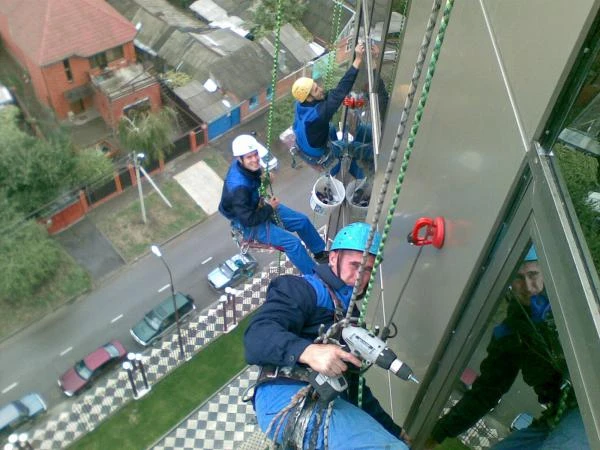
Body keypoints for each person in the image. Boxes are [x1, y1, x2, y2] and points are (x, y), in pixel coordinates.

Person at [244, 222, 411, 449]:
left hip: (327, 400)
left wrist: (393, 430)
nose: (361, 276)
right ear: (333, 258)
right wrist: (308, 351)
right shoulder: (303, 289)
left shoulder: (350, 315)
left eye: (369, 269)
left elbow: (354, 385)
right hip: (284, 393)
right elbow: (258, 335)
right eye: (356, 265)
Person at [425, 246, 590, 450]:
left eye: (533, 274)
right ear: (509, 283)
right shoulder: (510, 334)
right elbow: (486, 392)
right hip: (558, 413)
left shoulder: (576, 302)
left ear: (545, 271)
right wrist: (439, 433)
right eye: (519, 278)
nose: (528, 287)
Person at [218, 134, 328, 275]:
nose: (255, 159)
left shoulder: (244, 167)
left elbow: (252, 183)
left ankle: (320, 253)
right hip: (249, 223)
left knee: (302, 221)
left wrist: (263, 181)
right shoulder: (238, 187)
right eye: (249, 157)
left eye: (255, 154)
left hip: (257, 205)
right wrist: (270, 208)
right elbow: (248, 219)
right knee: (293, 245)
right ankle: (315, 276)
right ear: (240, 159)